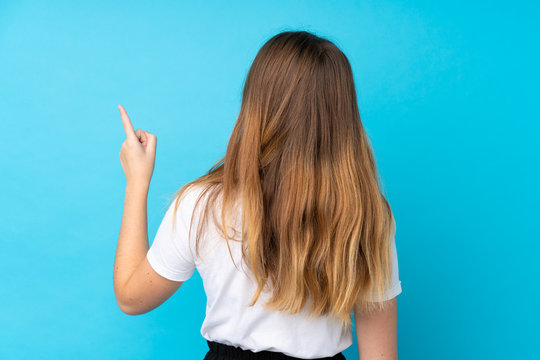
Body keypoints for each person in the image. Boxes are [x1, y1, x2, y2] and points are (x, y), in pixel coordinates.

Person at [113, 30, 403, 360]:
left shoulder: (203, 205)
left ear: (256, 106)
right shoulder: (367, 214)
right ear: (343, 114)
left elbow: (130, 298)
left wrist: (136, 182)